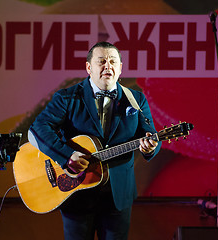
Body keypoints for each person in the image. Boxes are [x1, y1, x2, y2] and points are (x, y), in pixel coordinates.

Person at [28, 41, 161, 240]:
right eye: (102, 61)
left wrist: (150, 147)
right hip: (77, 193)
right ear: (89, 68)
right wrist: (66, 156)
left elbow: (150, 136)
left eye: (113, 62)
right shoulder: (68, 97)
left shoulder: (136, 99)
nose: (108, 66)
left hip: (118, 195)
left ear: (120, 68)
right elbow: (38, 129)